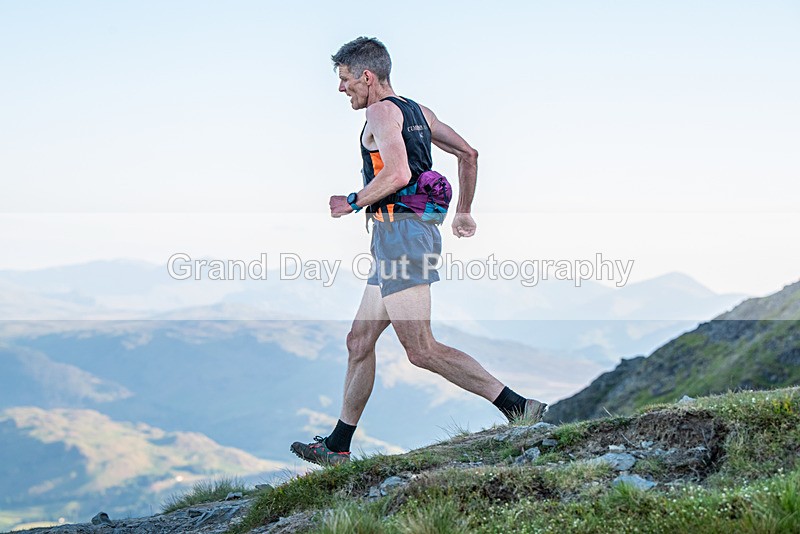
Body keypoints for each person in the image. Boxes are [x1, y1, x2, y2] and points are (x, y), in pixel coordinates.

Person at [290, 37, 546, 466]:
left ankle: (520, 408)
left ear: (366, 77)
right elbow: (469, 152)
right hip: (402, 235)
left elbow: (398, 172)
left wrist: (352, 201)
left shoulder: (380, 111)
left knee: (421, 348)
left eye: (345, 79)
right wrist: (463, 211)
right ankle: (337, 446)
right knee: (359, 340)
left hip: (402, 238)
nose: (341, 89)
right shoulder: (419, 112)